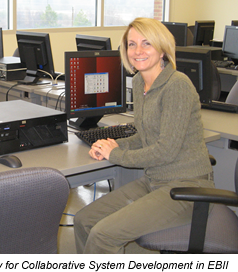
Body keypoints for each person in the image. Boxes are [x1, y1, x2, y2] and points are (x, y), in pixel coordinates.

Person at [74, 17, 214, 254]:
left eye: (146, 43)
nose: (137, 51)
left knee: (103, 234)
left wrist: (116, 154)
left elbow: (165, 150)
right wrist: (110, 144)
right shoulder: (140, 82)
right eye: (131, 44)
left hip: (187, 188)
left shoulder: (177, 85)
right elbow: (143, 136)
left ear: (161, 50)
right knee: (83, 220)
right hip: (155, 181)